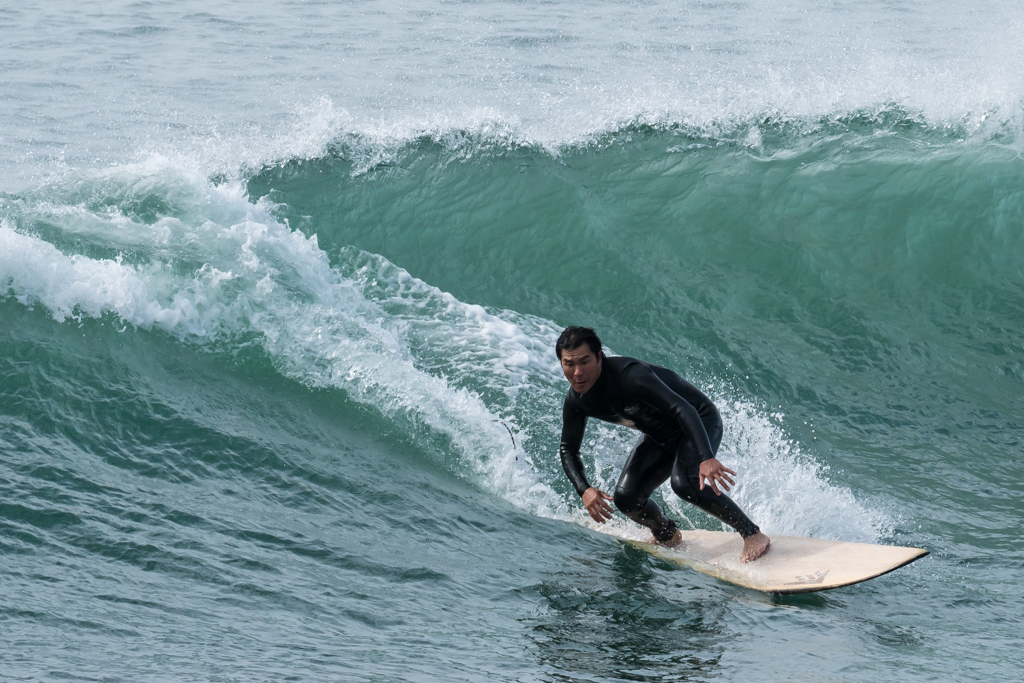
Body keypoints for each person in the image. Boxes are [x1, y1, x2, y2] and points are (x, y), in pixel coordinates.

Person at [556, 326, 771, 562]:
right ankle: (667, 535)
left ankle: (752, 534)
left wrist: (706, 456)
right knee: (626, 498)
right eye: (569, 364)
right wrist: (584, 488)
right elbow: (568, 448)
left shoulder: (630, 377)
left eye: (584, 361)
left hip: (698, 419)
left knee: (685, 483)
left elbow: (683, 408)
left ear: (599, 357)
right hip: (659, 436)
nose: (577, 372)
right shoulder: (577, 401)